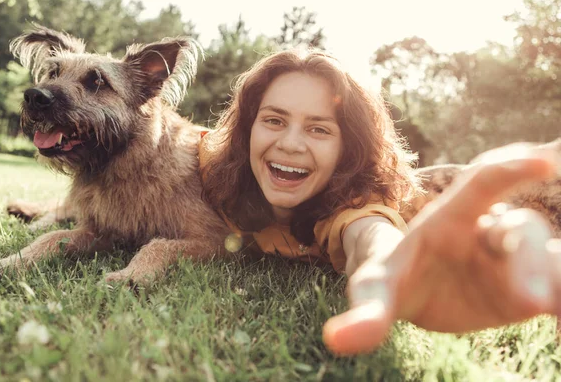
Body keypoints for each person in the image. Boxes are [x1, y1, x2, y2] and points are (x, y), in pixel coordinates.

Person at [199, 48, 561, 356]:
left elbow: (371, 236)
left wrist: (393, 269)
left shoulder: (352, 203)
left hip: (494, 199)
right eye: (274, 120)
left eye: (319, 128)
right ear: (248, 128)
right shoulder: (205, 166)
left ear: (346, 149)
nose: (291, 144)